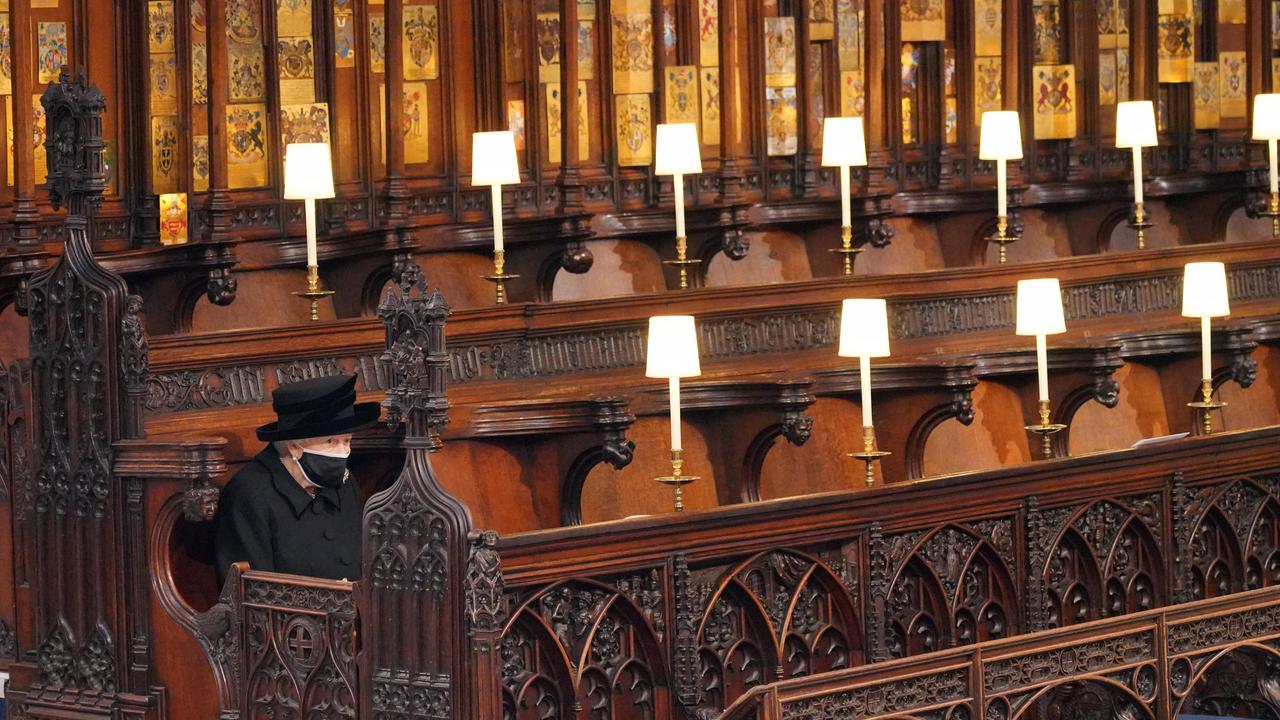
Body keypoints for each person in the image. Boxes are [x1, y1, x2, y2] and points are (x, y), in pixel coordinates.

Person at [213, 374, 379, 585]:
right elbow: (251, 595)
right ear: (294, 447)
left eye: (347, 440)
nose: (343, 452)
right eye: (330, 441)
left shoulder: (345, 482)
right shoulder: (249, 495)